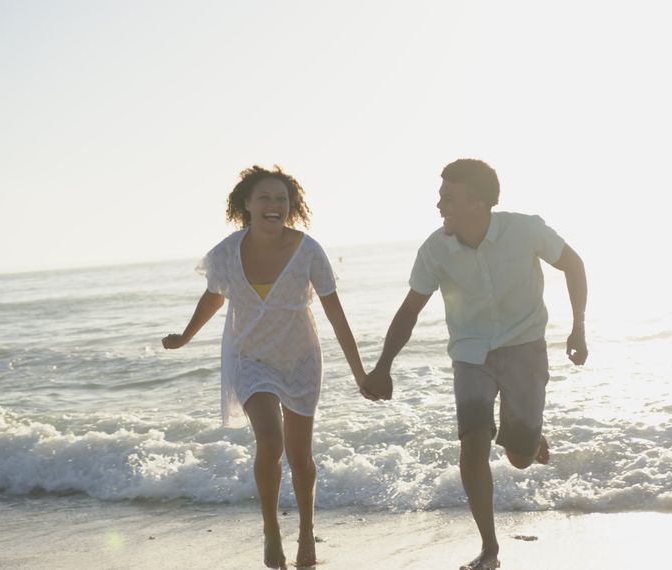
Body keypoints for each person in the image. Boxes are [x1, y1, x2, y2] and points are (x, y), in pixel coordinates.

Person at [362, 159, 588, 570]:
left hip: (524, 347)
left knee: (519, 457)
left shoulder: (526, 230)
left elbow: (574, 264)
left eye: (448, 197)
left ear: (478, 204)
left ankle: (530, 439)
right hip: (470, 356)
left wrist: (578, 329)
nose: (438, 204)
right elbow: (410, 309)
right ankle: (489, 548)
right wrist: (383, 366)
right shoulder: (435, 249)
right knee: (473, 443)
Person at [162, 165, 371, 569]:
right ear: (247, 204)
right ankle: (271, 529)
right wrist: (186, 336)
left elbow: (335, 314)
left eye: (281, 199)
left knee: (300, 456)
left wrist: (360, 373)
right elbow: (214, 297)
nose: (274, 206)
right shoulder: (226, 252)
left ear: (291, 207)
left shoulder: (308, 250)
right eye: (265, 198)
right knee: (270, 442)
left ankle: (307, 531)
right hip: (250, 359)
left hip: (300, 359)